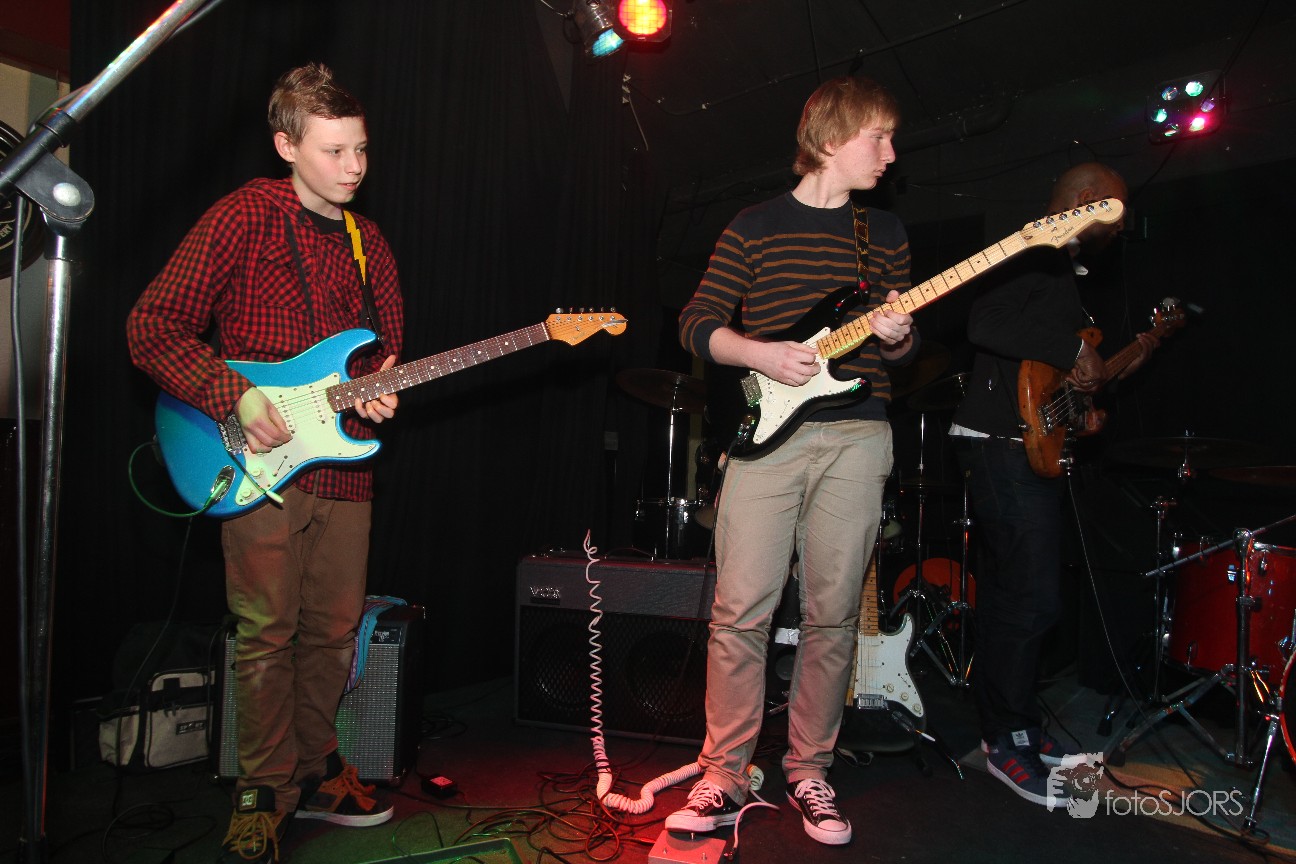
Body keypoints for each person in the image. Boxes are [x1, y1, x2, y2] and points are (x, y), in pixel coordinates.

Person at [127, 63, 404, 862]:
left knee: (335, 632)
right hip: (256, 467)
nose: (354, 167)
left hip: (343, 469)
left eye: (361, 149)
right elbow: (151, 325)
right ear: (286, 146)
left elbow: (379, 357)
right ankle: (261, 789)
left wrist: (380, 392)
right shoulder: (241, 217)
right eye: (333, 151)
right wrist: (233, 395)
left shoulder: (371, 244)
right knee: (265, 633)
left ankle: (315, 769)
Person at [667, 76, 917, 846]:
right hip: (766, 439)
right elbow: (696, 323)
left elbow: (900, 354)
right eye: (878, 137)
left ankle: (811, 770)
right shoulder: (754, 225)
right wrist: (761, 354)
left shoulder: (885, 233)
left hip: (858, 435)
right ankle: (724, 771)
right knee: (740, 610)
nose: (891, 153)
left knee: (831, 614)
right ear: (832, 138)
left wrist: (899, 335)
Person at [948, 162, 1156, 806]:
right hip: (999, 445)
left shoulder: (1064, 272)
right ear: (1088, 201)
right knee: (1031, 599)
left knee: (1021, 596)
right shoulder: (1034, 249)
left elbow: (1042, 377)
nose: (1119, 225)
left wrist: (1080, 410)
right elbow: (985, 323)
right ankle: (1006, 740)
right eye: (1115, 208)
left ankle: (1015, 730)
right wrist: (1072, 353)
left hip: (1023, 446)